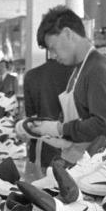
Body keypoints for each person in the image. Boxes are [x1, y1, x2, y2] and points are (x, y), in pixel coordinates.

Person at [21, 5, 106, 163]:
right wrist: (63, 138)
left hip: (95, 168)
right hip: (78, 163)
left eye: (53, 48)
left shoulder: (97, 69)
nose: (53, 55)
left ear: (67, 33)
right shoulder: (78, 70)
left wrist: (59, 129)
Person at [21, 15, 75, 179]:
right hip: (73, 152)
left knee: (40, 191)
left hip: (41, 150)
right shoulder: (77, 75)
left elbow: (30, 117)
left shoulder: (31, 76)